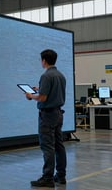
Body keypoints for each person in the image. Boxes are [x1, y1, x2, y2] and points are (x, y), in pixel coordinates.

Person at [25, 49, 67, 188]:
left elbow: (43, 97)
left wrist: (31, 95)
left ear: (44, 60)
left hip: (47, 115)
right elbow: (52, 92)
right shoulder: (60, 76)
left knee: (47, 146)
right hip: (58, 114)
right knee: (59, 145)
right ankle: (61, 176)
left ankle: (47, 177)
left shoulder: (46, 76)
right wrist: (40, 88)